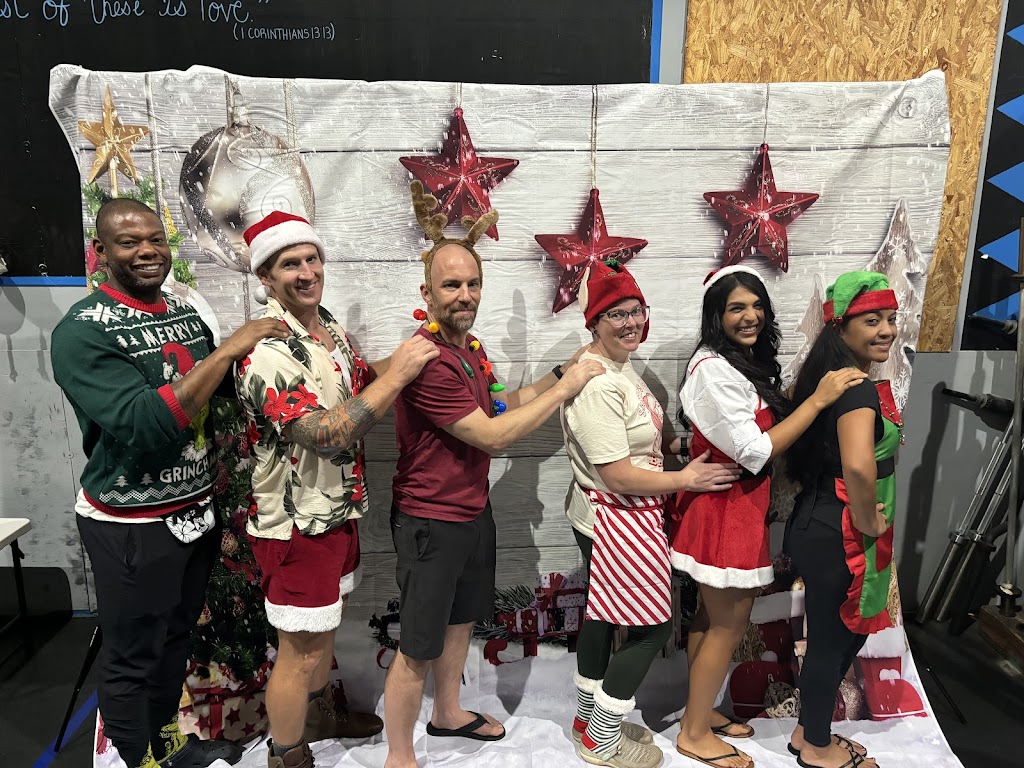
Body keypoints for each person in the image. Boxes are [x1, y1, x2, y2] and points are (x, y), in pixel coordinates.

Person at [52, 198, 291, 768]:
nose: (147, 251)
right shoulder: (81, 332)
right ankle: (137, 758)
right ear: (100, 251)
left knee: (175, 638)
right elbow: (147, 423)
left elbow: (220, 390)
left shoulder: (183, 314)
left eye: (155, 239)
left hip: (194, 510)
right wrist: (230, 347)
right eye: (129, 242)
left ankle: (166, 743)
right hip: (130, 522)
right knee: (132, 654)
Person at [382, 181, 605, 768]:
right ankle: (399, 756)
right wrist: (566, 389)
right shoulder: (428, 359)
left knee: (460, 623)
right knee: (417, 645)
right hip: (430, 521)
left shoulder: (469, 349)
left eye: (473, 283)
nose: (464, 295)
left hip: (471, 512)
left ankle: (448, 713)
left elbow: (500, 406)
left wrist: (559, 372)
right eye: (451, 285)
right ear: (426, 292)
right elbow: (494, 435)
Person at [235, 211, 440, 768]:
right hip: (294, 524)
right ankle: (287, 754)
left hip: (336, 511)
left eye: (312, 258)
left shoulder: (325, 328)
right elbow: (324, 434)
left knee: (322, 632)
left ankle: (320, 714)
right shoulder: (268, 352)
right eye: (290, 264)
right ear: (265, 277)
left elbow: (360, 380)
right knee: (299, 651)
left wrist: (418, 348)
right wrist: (401, 375)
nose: (307, 272)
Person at [668, 265, 867, 768]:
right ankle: (694, 733)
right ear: (716, 315)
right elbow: (755, 451)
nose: (751, 316)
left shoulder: (737, 362)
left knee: (711, 618)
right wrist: (818, 400)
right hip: (725, 513)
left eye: (757, 305)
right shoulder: (711, 370)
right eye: (737, 307)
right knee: (728, 625)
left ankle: (700, 712)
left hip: (736, 508)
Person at [559, 259, 743, 768]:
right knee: (651, 628)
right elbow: (618, 474)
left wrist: (689, 446)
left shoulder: (619, 365)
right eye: (616, 314)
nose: (630, 322)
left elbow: (644, 440)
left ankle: (587, 721)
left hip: (620, 512)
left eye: (635, 310)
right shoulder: (598, 383)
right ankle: (601, 739)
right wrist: (687, 479)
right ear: (594, 321)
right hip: (615, 514)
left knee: (602, 618)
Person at [783, 271, 900, 768]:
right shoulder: (855, 390)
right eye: (871, 321)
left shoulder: (834, 380)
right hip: (840, 531)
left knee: (844, 634)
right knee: (833, 640)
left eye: (890, 319)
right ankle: (816, 745)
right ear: (840, 328)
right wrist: (869, 519)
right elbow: (857, 465)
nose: (886, 330)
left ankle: (807, 730)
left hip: (824, 523)